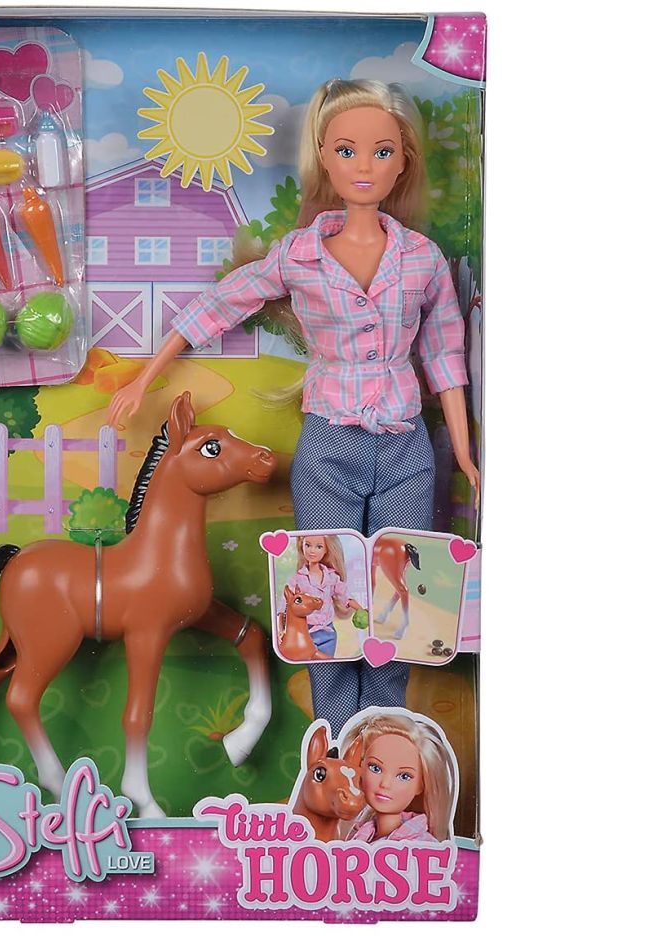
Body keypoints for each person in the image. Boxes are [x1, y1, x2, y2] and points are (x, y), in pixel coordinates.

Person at [109, 79, 479, 735]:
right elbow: (222, 303)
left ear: (404, 161)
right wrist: (145, 377)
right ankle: (334, 750)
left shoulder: (422, 260)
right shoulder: (299, 255)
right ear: (324, 159)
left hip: (406, 450)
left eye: (382, 151)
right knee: (323, 609)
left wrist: (469, 458)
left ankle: (380, 749)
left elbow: (446, 355)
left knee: (398, 612)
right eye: (346, 150)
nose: (364, 166)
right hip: (328, 447)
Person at [339, 710, 457, 843]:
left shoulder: (422, 846)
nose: (385, 784)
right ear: (361, 767)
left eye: (404, 776)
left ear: (421, 785)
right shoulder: (358, 834)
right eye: (375, 768)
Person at [279, 534, 363, 657]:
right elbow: (284, 606)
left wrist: (360, 609)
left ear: (326, 550)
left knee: (327, 662)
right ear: (302, 546)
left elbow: (345, 596)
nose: (312, 551)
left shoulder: (332, 577)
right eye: (308, 545)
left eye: (319, 547)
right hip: (305, 633)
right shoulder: (297, 579)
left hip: (328, 633)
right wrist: (281, 629)